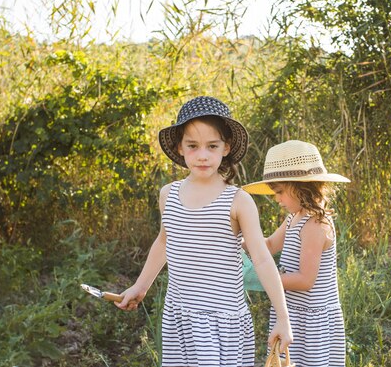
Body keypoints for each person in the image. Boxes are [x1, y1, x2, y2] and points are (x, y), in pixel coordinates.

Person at [115, 96, 292, 367]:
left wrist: (282, 316)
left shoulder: (238, 201)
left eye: (212, 146)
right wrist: (140, 286)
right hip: (180, 317)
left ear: (226, 147)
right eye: (193, 146)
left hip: (222, 323)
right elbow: (164, 242)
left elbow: (262, 258)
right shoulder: (169, 195)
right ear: (180, 148)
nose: (202, 155)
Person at [243, 140, 350, 367]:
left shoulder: (315, 224)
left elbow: (305, 280)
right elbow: (270, 244)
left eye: (280, 192)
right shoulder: (295, 217)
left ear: (302, 187)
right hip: (293, 312)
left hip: (311, 319)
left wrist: (265, 279)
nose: (277, 199)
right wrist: (241, 242)